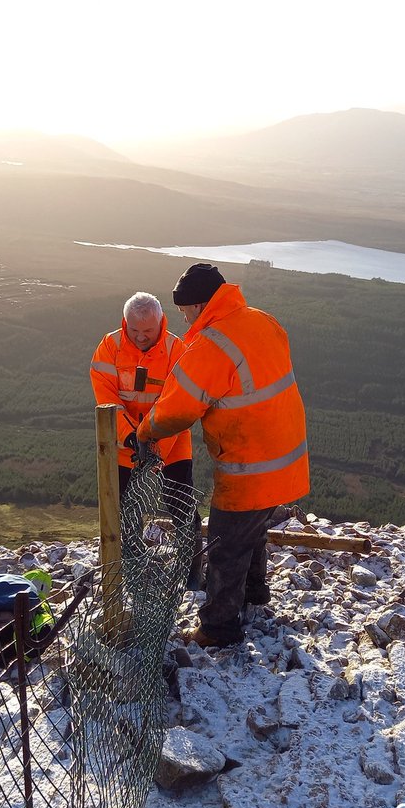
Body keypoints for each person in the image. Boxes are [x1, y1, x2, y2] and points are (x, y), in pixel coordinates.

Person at [137, 264, 308, 648]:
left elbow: (178, 409)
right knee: (254, 527)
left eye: (184, 311)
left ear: (199, 305)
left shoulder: (212, 344)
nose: (183, 319)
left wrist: (145, 431)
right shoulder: (262, 320)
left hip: (251, 462)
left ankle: (218, 628)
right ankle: (254, 594)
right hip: (286, 454)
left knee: (226, 541)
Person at [90, 292, 200, 575]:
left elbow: (176, 405)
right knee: (125, 507)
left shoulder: (178, 349)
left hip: (171, 441)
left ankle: (191, 569)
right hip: (124, 445)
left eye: (148, 331)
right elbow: (107, 401)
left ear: (161, 321)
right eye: (135, 330)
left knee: (180, 503)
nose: (141, 337)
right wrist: (130, 438)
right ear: (125, 323)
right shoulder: (109, 346)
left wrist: (154, 450)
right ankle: (131, 565)